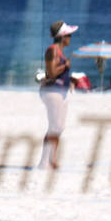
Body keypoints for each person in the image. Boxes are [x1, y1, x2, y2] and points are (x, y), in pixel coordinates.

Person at [39, 21, 78, 169]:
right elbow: (51, 73)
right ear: (62, 36)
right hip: (51, 91)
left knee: (59, 126)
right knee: (54, 126)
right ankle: (44, 161)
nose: (70, 38)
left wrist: (71, 79)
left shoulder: (59, 51)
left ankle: (51, 159)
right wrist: (65, 66)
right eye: (69, 35)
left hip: (60, 91)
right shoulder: (53, 50)